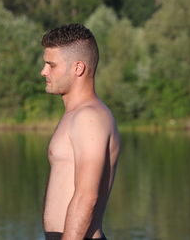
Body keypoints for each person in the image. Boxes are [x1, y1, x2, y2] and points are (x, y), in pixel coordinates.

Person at [41, 24, 121, 240]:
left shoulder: (89, 118)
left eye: (51, 65)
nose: (43, 72)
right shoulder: (76, 116)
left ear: (78, 68)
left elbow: (87, 198)